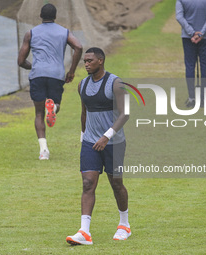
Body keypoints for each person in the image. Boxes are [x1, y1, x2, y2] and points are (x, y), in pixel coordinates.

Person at [66, 48, 130, 245]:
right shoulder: (82, 85)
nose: (85, 64)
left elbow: (125, 114)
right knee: (87, 183)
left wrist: (106, 136)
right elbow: (84, 112)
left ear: (100, 61)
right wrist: (83, 136)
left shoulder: (116, 84)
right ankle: (84, 232)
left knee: (116, 184)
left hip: (114, 143)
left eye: (89, 60)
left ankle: (124, 225)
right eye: (84, 61)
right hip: (90, 143)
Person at [18, 3, 82, 160]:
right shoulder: (64, 32)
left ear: (40, 16)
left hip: (38, 74)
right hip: (56, 74)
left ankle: (44, 151)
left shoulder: (31, 33)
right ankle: (53, 107)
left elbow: (20, 61)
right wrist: (72, 71)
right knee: (55, 105)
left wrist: (33, 67)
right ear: (55, 17)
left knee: (39, 112)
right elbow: (79, 47)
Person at [176, 0, 206, 108]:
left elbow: (179, 17)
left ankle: (192, 98)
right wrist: (202, 33)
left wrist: (191, 32)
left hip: (187, 37)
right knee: (205, 66)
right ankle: (203, 99)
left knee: (190, 66)